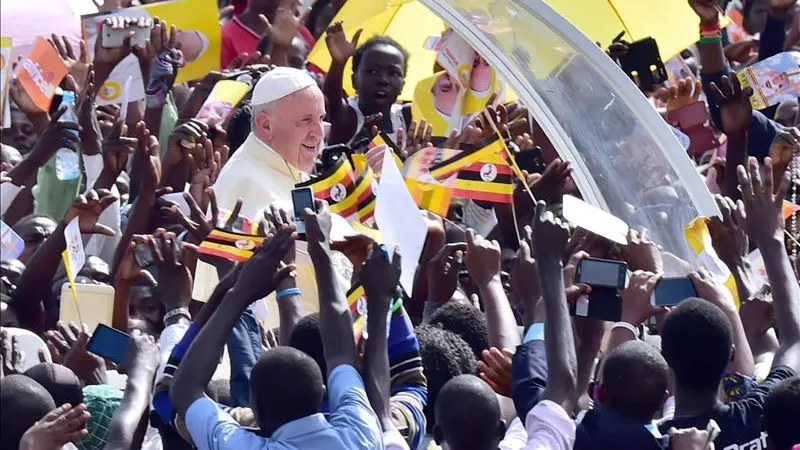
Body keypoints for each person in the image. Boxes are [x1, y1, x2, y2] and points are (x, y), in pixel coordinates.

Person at [212, 66, 353, 323]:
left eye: (321, 118)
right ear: (266, 124)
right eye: (305, 121)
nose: (319, 133)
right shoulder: (244, 181)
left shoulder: (287, 164)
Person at [324, 22, 412, 147]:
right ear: (354, 80)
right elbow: (331, 102)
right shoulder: (347, 119)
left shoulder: (408, 117)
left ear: (402, 85)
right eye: (373, 71)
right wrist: (338, 63)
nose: (383, 80)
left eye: (393, 73)